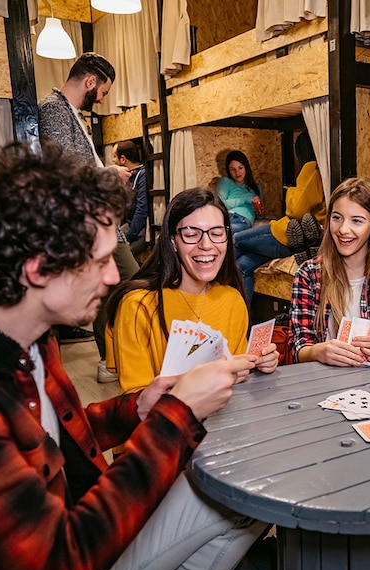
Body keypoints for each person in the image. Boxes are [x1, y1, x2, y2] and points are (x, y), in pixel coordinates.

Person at [0, 141, 266, 570]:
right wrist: (178, 413)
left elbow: (62, 438)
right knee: (235, 503)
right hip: (69, 556)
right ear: (40, 268)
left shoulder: (32, 338)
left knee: (248, 494)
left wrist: (138, 406)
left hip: (79, 519)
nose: (114, 275)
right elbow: (56, 560)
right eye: (99, 262)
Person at [106, 188, 280, 395]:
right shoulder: (138, 305)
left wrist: (259, 363)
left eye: (216, 234)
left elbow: (238, 374)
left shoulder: (233, 299)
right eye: (191, 234)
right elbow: (136, 400)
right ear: (173, 240)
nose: (206, 245)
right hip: (166, 424)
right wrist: (218, 375)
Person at [38, 51, 140, 384]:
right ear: (90, 81)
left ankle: (113, 357)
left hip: (98, 220)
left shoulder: (69, 113)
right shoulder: (53, 110)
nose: (102, 98)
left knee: (125, 284)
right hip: (86, 222)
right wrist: (109, 173)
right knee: (128, 281)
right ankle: (110, 357)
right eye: (104, 92)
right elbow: (63, 169)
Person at [290, 177, 370, 366]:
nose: (343, 229)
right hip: (321, 385)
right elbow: (299, 349)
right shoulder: (308, 274)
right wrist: (317, 351)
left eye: (357, 221)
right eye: (337, 218)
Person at [234, 130, 327, 304]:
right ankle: (243, 320)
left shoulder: (311, 168)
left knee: (236, 240)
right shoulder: (326, 171)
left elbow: (296, 210)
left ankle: (214, 296)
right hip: (303, 234)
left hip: (285, 234)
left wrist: (289, 191)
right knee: (243, 266)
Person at [114, 139, 149, 259]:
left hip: (142, 229)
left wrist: (128, 238)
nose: (113, 161)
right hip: (129, 225)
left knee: (120, 258)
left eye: (114, 156)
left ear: (123, 159)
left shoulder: (142, 175)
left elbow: (142, 210)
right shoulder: (127, 177)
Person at [216, 150, 262, 235]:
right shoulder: (225, 182)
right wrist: (246, 199)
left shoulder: (256, 188)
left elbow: (259, 216)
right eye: (233, 169)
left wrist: (259, 211)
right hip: (226, 217)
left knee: (224, 233)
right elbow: (220, 205)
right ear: (228, 170)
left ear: (246, 167)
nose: (237, 173)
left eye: (240, 168)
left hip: (243, 220)